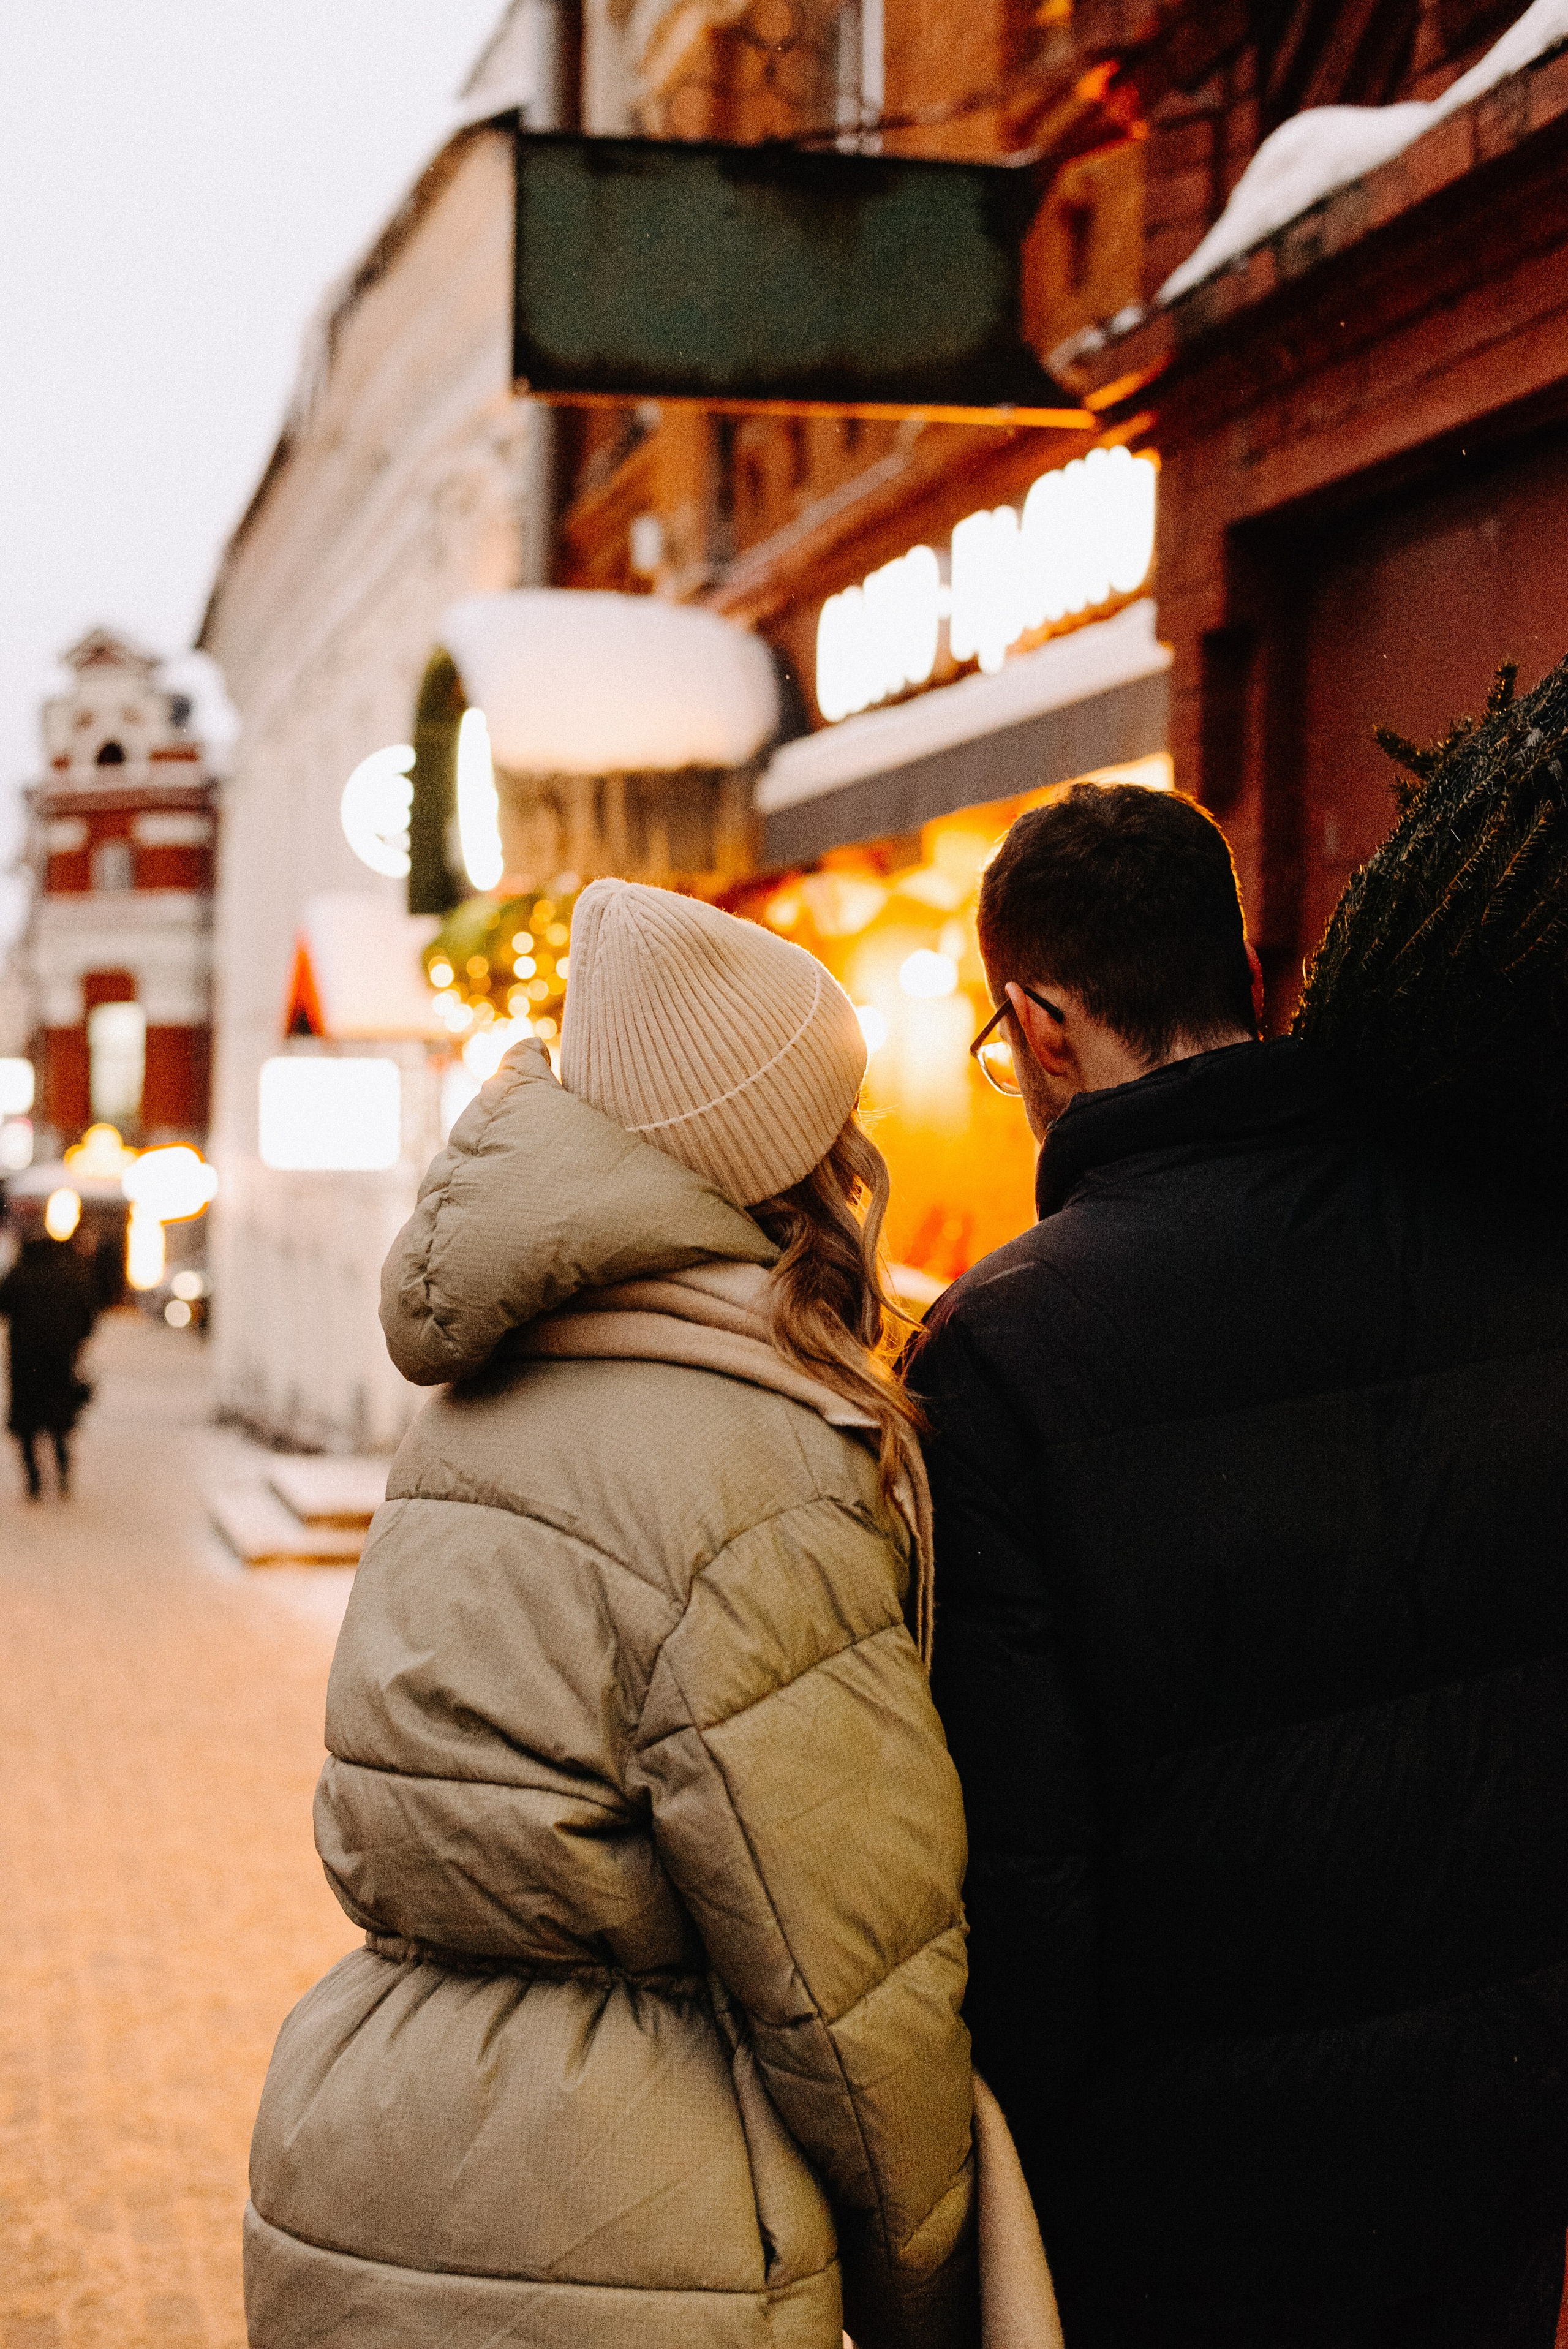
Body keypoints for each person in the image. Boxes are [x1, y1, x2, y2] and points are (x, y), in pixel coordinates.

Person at [245, 880, 978, 2349]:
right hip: (635, 2209)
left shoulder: (474, 1398)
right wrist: (937, 2290)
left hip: (360, 2147)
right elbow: (845, 1987)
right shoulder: (759, 1465)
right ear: (789, 1162)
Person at [913, 782, 1568, 2349]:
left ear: (1038, 1019)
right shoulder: (1502, 1241)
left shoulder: (1004, 1348)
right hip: (1496, 2141)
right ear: (1252, 971)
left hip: (1182, 2202)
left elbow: (1022, 1855)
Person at [0, 1210, 96, 1499]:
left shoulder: (20, 1272)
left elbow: (3, 1305)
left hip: (25, 1359)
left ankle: (34, 1481)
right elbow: (88, 1314)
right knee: (60, 1418)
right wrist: (76, 1341)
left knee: (27, 1420)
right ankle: (64, 1476)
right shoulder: (70, 1272)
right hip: (61, 1356)